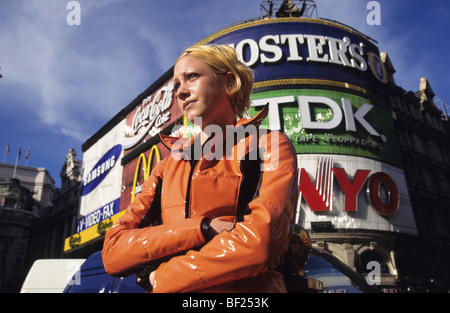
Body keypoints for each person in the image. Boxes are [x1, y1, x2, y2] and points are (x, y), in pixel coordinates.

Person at [102, 44, 298, 293]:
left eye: (192, 77)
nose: (180, 92)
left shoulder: (268, 145)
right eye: (175, 86)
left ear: (229, 82)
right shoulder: (165, 168)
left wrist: (160, 278)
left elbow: (261, 243)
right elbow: (113, 251)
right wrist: (202, 228)